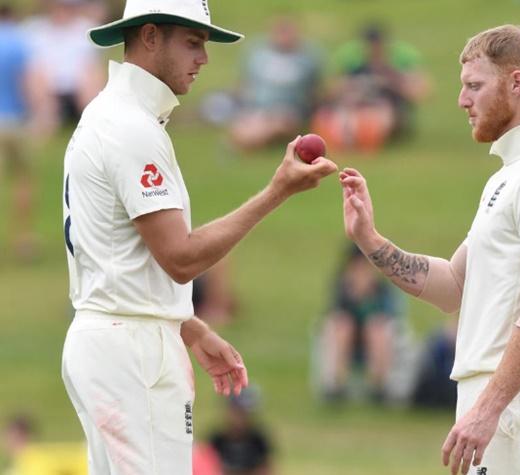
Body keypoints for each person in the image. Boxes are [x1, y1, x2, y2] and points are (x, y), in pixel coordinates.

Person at [60, 1, 338, 474]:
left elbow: (115, 257)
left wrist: (186, 325)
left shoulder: (109, 116)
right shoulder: (131, 128)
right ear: (149, 37)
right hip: (134, 352)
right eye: (192, 43)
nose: (204, 59)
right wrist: (278, 191)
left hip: (113, 339)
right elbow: (180, 258)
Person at [339, 24, 520, 474]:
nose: (462, 100)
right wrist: (370, 239)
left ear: (517, 83)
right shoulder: (510, 176)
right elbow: (454, 285)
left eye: (474, 86)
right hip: (501, 399)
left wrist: (489, 408)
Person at [312, 23, 430, 152]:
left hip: (388, 107)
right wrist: (349, 85)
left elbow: (421, 92)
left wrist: (393, 82)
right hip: (358, 106)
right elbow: (329, 91)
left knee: (376, 117)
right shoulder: (353, 62)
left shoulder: (399, 60)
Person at [317, 244, 407, 403]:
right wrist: (354, 298)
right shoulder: (342, 288)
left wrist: (368, 299)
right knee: (342, 326)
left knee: (376, 327)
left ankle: (379, 386)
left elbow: (391, 315)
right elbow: (334, 313)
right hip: (349, 339)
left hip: (376, 338)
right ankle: (336, 385)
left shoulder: (382, 290)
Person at [0, 4, 53, 261]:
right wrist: (42, 114)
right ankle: (23, 239)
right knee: (23, 180)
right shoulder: (19, 42)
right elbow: (30, 81)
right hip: (15, 122)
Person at [228, 16, 323, 150]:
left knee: (275, 125)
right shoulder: (257, 54)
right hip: (257, 109)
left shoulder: (307, 58)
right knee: (246, 125)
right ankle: (251, 139)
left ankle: (254, 141)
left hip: (289, 112)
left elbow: (316, 91)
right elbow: (243, 84)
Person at [23, 0, 105, 127]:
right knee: (35, 75)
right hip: (48, 88)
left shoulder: (87, 29)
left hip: (79, 86)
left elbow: (92, 65)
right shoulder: (34, 29)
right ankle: (45, 118)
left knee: (91, 75)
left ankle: (94, 119)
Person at [208, 386, 274, 475]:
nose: (241, 417)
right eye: (238, 411)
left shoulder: (258, 441)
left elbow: (266, 469)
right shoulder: (217, 440)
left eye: (244, 412)